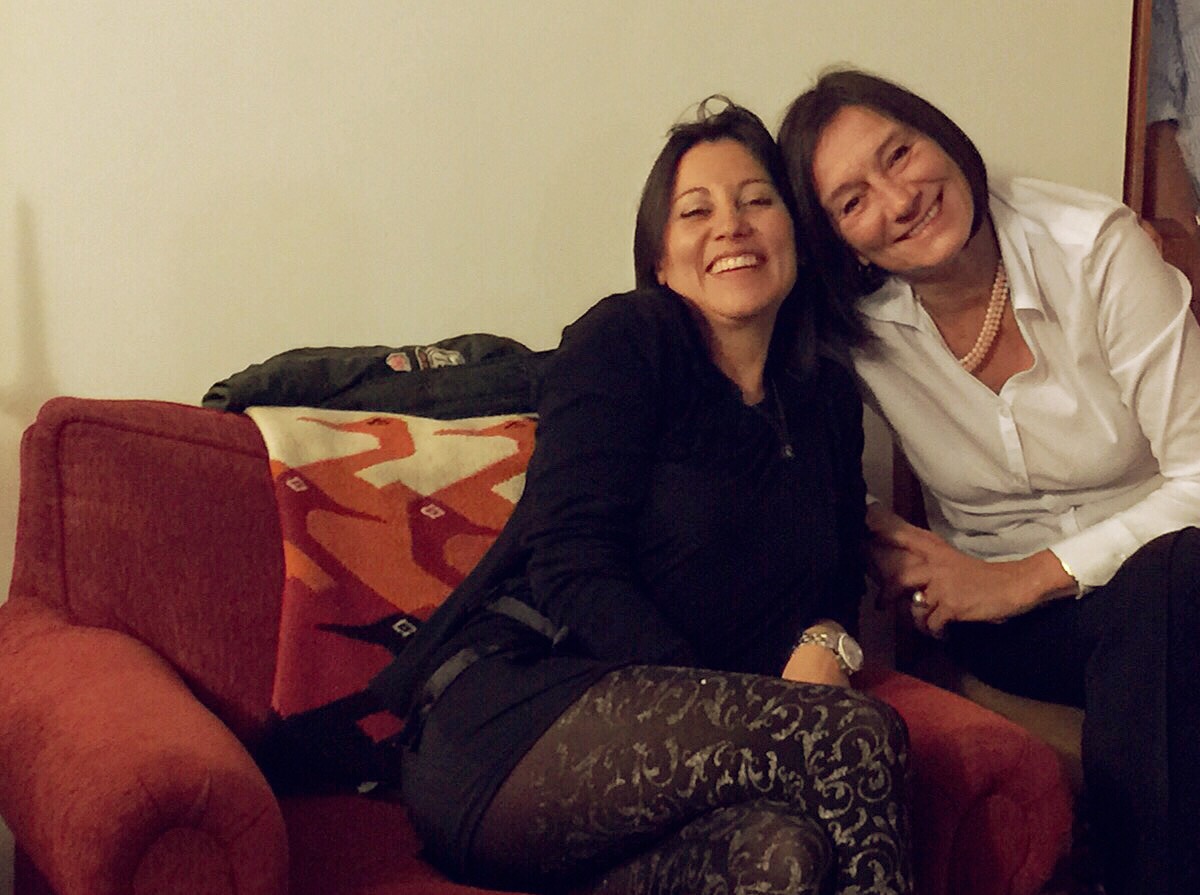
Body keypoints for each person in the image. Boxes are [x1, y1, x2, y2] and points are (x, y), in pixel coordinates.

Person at [367, 98, 913, 895]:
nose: (731, 225)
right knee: (851, 737)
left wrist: (828, 640)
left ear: (797, 233)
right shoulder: (626, 340)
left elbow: (834, 578)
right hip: (518, 721)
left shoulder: (825, 395)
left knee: (785, 859)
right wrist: (735, 708)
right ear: (660, 257)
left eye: (757, 200)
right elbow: (568, 562)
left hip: (685, 767)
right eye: (697, 211)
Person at [777, 68, 1200, 895]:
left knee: (1167, 586)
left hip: (1163, 589)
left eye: (899, 153)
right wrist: (884, 541)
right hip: (1006, 628)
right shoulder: (851, 326)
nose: (900, 199)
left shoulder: (1093, 249)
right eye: (854, 201)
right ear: (844, 243)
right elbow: (788, 461)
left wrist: (1027, 576)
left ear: (939, 134)